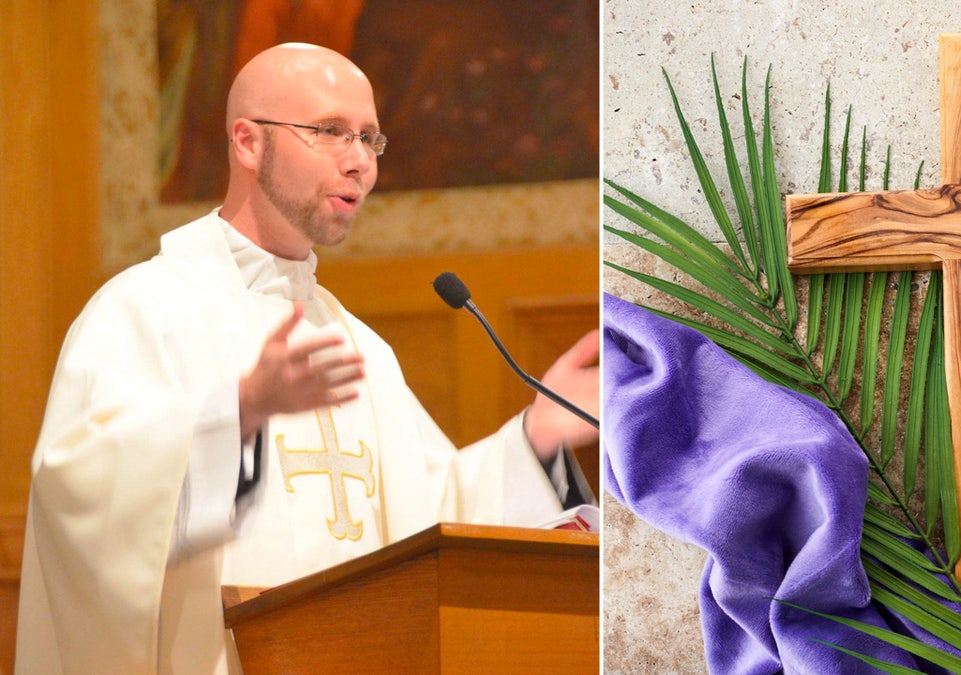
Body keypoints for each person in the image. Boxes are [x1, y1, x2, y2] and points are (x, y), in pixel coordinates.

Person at [15, 42, 599, 674]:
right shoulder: (142, 310)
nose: (359, 164)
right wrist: (235, 415)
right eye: (329, 132)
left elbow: (428, 523)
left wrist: (535, 437)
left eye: (370, 139)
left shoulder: (360, 347)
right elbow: (79, 495)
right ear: (247, 143)